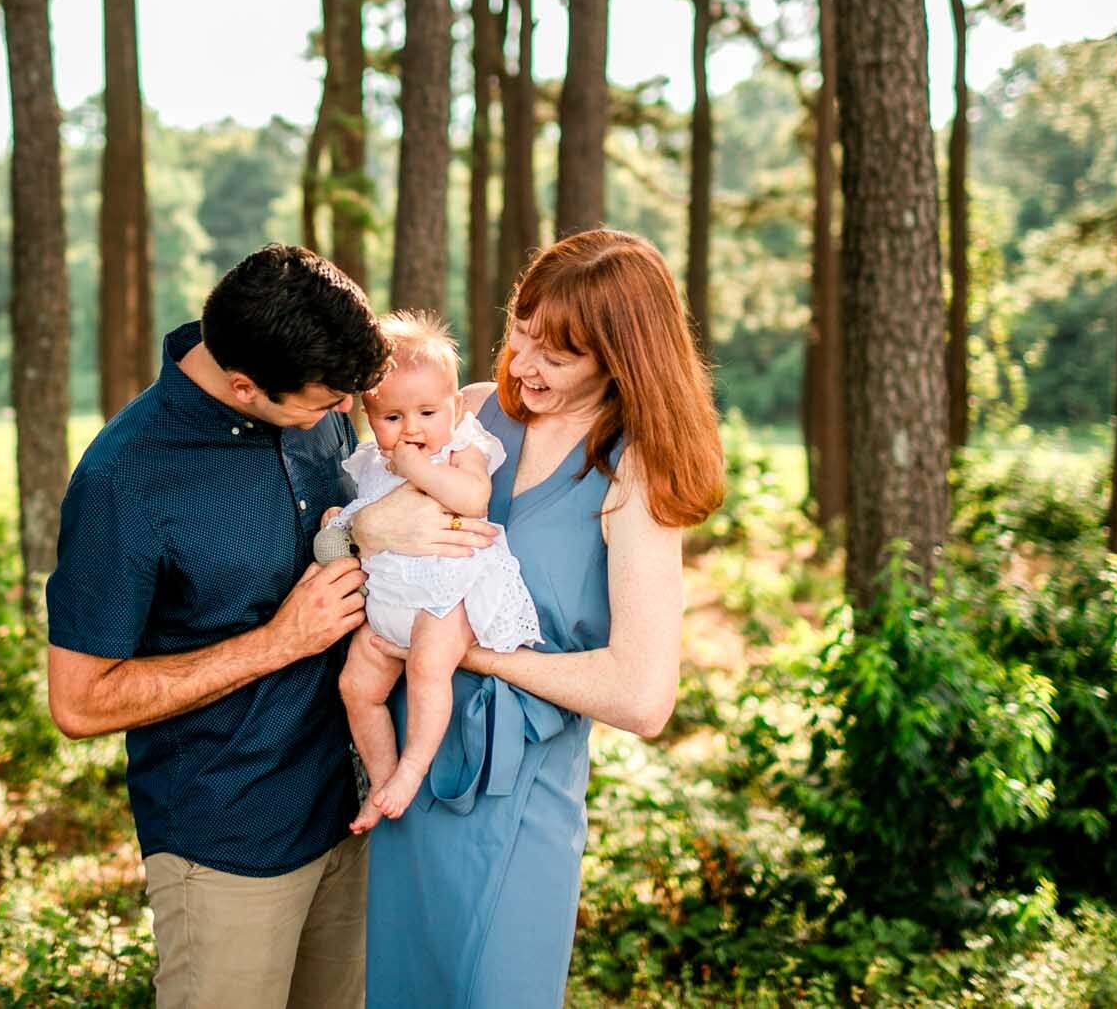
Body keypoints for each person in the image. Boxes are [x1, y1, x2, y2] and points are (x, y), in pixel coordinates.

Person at [42, 245, 492, 1009]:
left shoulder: (313, 401)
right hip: (229, 844)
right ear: (244, 386)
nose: (341, 420)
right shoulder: (124, 478)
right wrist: (277, 642)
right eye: (323, 406)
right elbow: (79, 702)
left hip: (348, 815)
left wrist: (380, 525)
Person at [360, 229, 727, 1008]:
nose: (524, 365)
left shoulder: (633, 472)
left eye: (555, 355)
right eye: (522, 332)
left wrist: (480, 656)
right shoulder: (470, 412)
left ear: (621, 361)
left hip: (513, 793)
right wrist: (363, 532)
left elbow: (642, 694)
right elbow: (367, 513)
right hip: (403, 773)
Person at [332, 311, 543, 835]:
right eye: (393, 418)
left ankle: (411, 769)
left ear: (453, 407)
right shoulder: (369, 461)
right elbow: (358, 520)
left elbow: (474, 498)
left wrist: (421, 470)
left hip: (446, 595)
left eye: (427, 412)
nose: (412, 430)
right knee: (356, 686)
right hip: (386, 606)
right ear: (369, 415)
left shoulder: (461, 447)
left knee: (429, 668)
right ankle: (382, 784)